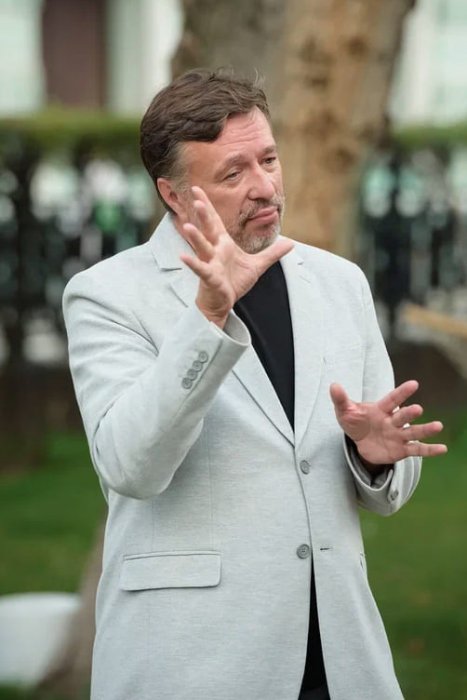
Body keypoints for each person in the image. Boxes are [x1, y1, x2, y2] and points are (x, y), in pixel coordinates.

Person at [63, 69, 447, 700]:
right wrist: (208, 315)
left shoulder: (340, 282)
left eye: (268, 159)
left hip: (340, 658)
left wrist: (373, 458)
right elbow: (131, 466)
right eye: (233, 173)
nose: (265, 186)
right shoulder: (107, 295)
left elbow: (387, 495)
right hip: (193, 662)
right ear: (174, 194)